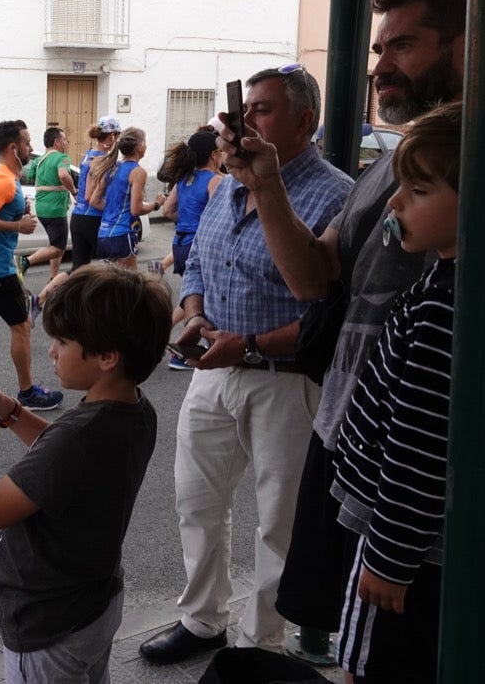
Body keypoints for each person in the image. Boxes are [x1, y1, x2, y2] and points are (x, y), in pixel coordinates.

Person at [213, 0, 467, 656]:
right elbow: (315, 278)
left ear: (467, 45)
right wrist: (264, 179)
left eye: (403, 46)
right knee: (351, 629)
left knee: (393, 647)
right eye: (378, 50)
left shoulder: (475, 161)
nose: (380, 66)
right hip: (349, 433)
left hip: (409, 471)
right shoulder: (388, 167)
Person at [138, 64, 353, 663]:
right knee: (197, 501)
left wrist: (254, 344)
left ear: (304, 120)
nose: (243, 122)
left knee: (279, 520)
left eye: (261, 109)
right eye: (243, 109)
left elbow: (326, 311)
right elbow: (202, 259)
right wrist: (194, 309)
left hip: (285, 381)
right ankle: (202, 619)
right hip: (214, 369)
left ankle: (263, 640)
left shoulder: (333, 194)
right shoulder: (228, 183)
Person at [0, 263, 172, 683]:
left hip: (49, 624)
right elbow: (65, 462)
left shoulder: (77, 439)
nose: (51, 351)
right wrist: (10, 411)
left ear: (106, 356)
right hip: (94, 604)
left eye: (62, 341)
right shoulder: (133, 408)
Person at [330, 101, 460, 683]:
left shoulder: (442, 307)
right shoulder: (448, 275)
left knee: (370, 662)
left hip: (402, 541)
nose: (394, 201)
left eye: (418, 190)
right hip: (406, 534)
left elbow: (421, 441)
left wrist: (388, 557)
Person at [0, 120, 64, 412]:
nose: (31, 148)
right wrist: (17, 223)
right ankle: (28, 392)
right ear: (13, 147)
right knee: (21, 327)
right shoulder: (3, 180)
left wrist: (14, 213)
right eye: (27, 143)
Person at [158, 129, 224, 370]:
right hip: (201, 246)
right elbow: (221, 216)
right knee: (205, 299)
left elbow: (166, 210)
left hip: (180, 244)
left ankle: (160, 333)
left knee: (191, 297)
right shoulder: (216, 180)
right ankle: (182, 352)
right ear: (215, 154)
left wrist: (185, 221)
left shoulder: (184, 179)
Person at [86, 126, 164, 270]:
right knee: (131, 286)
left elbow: (94, 201)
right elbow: (136, 209)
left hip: (103, 234)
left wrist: (115, 207)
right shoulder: (138, 172)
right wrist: (156, 205)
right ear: (139, 147)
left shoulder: (112, 167)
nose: (146, 146)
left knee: (111, 285)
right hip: (121, 234)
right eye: (145, 142)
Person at [14, 127, 75, 283]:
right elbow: (63, 175)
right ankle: (25, 262)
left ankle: (53, 278)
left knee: (54, 245)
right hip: (56, 209)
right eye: (64, 139)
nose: (66, 142)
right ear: (56, 141)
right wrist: (74, 191)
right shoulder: (62, 158)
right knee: (58, 248)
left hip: (41, 208)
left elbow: (30, 175)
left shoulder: (39, 160)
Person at [68, 116, 120, 270]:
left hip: (78, 217)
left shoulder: (89, 154)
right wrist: (116, 208)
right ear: (112, 136)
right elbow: (91, 197)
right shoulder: (101, 160)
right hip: (92, 219)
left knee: (78, 269)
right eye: (118, 135)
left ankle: (48, 294)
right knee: (115, 263)